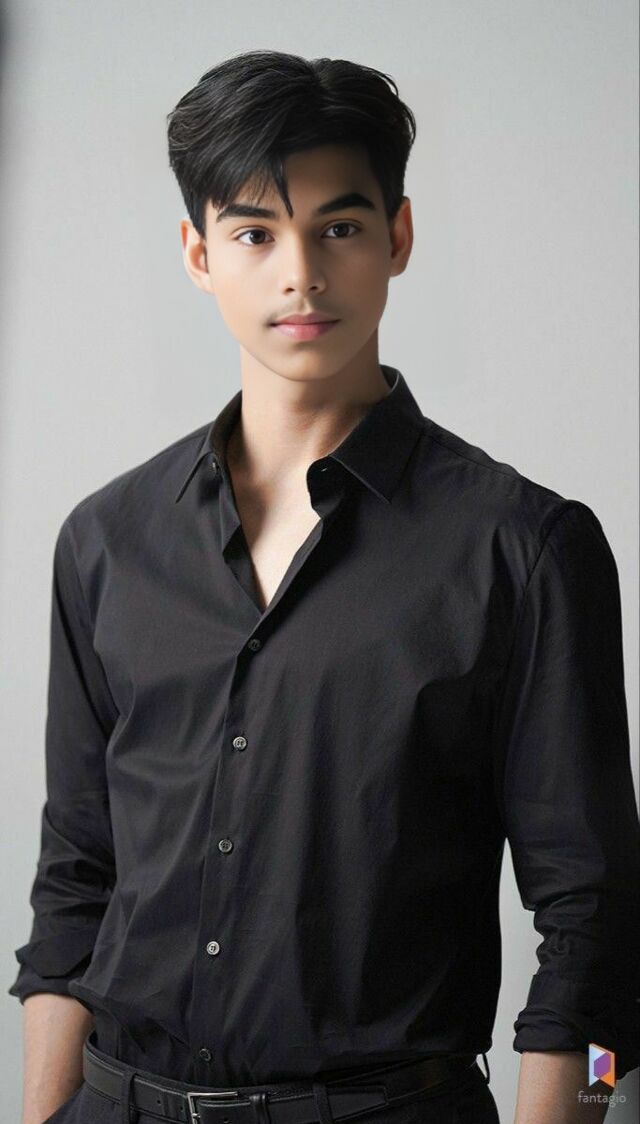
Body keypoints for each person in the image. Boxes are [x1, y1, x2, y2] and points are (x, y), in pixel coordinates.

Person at [8, 49, 639, 1124]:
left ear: (398, 236)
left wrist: (589, 1108)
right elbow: (75, 878)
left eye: (338, 228)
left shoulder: (525, 548)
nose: (299, 274)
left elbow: (603, 934)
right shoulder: (106, 541)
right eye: (255, 233)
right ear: (199, 253)